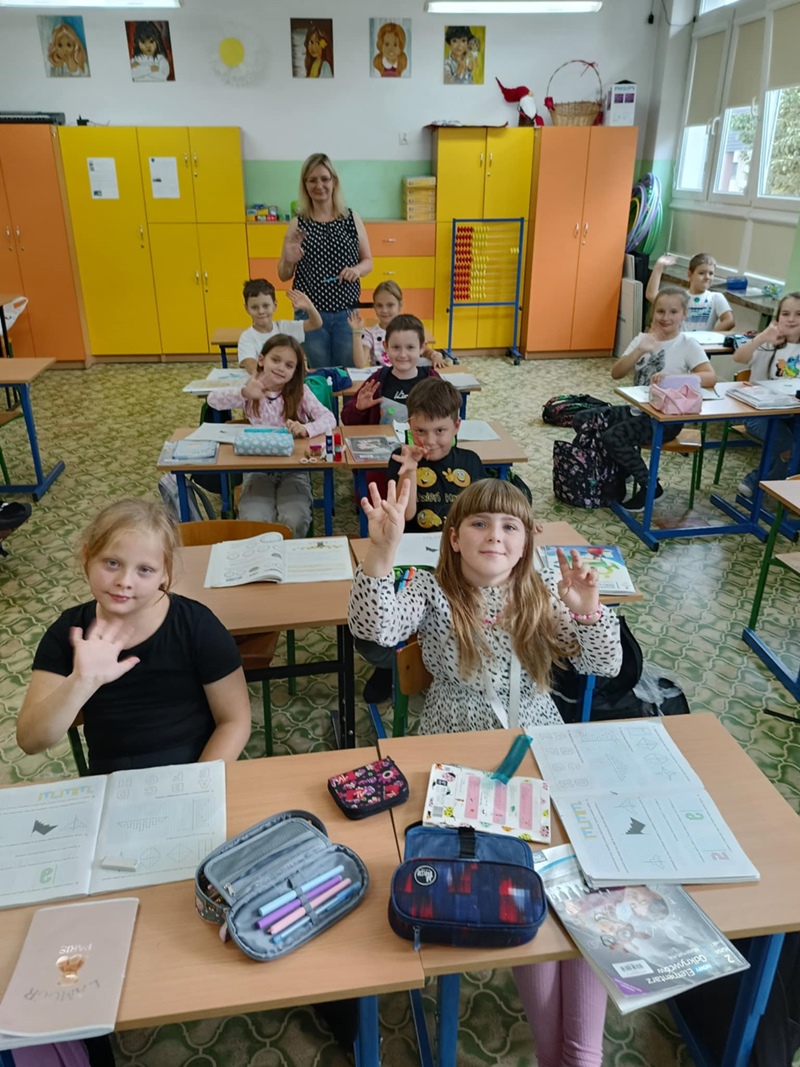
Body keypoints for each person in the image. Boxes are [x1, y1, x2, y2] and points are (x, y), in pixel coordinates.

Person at [349, 477, 621, 1067]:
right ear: (453, 538)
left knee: (578, 879)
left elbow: (606, 664)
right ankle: (564, 1052)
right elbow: (374, 630)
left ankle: (579, 1053)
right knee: (513, 872)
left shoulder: (543, 591)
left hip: (540, 744)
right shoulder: (430, 589)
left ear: (526, 543)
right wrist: (382, 553)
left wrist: (589, 611)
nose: (494, 535)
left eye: (509, 526)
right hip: (457, 750)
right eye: (478, 523)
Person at [16, 499, 251, 776]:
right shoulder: (68, 633)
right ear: (87, 557)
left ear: (164, 574)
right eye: (112, 563)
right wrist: (82, 681)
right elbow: (30, 740)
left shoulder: (197, 626)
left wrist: (197, 783)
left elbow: (234, 721)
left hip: (193, 770)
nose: (125, 581)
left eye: (144, 570)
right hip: (111, 780)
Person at [356, 377, 488, 704]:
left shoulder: (470, 462)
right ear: (409, 425)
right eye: (420, 431)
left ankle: (435, 662)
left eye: (440, 430)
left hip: (461, 563)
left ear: (456, 426)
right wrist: (410, 470)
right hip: (412, 562)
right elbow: (408, 513)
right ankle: (392, 666)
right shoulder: (400, 459)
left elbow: (484, 514)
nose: (430, 440)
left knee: (466, 615)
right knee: (381, 626)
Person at [207, 334, 335, 537]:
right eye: (275, 360)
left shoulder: (301, 392)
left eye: (289, 365)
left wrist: (306, 428)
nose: (281, 368)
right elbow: (212, 400)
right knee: (254, 520)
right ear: (261, 359)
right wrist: (245, 393)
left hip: (293, 469)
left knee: (294, 518)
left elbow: (329, 418)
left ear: (295, 371)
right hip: (257, 469)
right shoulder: (252, 388)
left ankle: (290, 553)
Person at [606, 285, 716, 511]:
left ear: (684, 314)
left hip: (665, 419)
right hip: (637, 409)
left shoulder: (687, 344)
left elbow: (710, 377)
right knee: (587, 420)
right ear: (653, 313)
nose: (666, 318)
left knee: (613, 437)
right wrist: (640, 349)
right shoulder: (643, 339)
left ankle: (651, 486)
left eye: (673, 312)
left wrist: (676, 378)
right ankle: (621, 470)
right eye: (660, 311)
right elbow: (616, 373)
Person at [278, 154, 373, 369]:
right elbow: (283, 274)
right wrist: (288, 260)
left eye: (324, 179)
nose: (319, 185)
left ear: (334, 181)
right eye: (312, 180)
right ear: (305, 185)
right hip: (310, 314)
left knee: (349, 374)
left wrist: (357, 270)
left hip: (346, 313)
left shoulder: (351, 218)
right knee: (320, 374)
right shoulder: (298, 224)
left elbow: (368, 261)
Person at [732, 291, 800, 498]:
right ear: (777, 317)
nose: (791, 319)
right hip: (759, 414)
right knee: (788, 444)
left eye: (798, 314)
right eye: (785, 314)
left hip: (792, 415)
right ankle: (760, 483)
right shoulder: (768, 343)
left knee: (795, 444)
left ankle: (774, 486)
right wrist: (761, 338)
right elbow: (739, 357)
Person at [341, 314, 439, 427]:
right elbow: (347, 419)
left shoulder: (432, 379)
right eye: (396, 347)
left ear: (422, 348)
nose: (402, 355)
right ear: (386, 346)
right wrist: (358, 408)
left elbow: (449, 415)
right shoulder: (377, 381)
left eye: (410, 347)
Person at [347, 280, 446, 369]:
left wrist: (436, 355)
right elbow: (360, 364)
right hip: (383, 380)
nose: (384, 310)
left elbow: (425, 351)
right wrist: (356, 333)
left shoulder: (409, 329)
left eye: (390, 305)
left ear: (400, 305)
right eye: (379, 305)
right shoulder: (370, 333)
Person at [237, 279, 322, 376]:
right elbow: (251, 366)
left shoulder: (284, 327)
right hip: (263, 380)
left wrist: (310, 307)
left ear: (275, 305)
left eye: (265, 306)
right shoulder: (247, 337)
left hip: (289, 380)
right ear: (247, 309)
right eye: (254, 307)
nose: (261, 311)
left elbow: (316, 324)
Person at [646, 253, 735, 333]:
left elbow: (729, 321)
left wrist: (709, 337)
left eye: (711, 273)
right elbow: (651, 294)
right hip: (680, 342)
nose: (707, 277)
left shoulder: (716, 297)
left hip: (701, 344)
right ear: (690, 275)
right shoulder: (680, 297)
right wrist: (659, 265)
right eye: (701, 273)